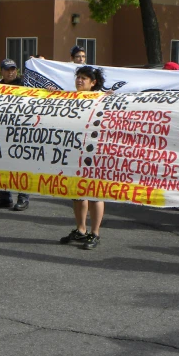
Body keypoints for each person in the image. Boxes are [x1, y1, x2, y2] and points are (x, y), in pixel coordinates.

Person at [58, 66, 106, 250]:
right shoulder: (72, 98)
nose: (79, 80)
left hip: (95, 151)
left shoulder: (102, 98)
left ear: (93, 83)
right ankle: (81, 229)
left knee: (95, 193)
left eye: (84, 78)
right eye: (78, 77)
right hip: (76, 150)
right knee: (77, 193)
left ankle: (95, 233)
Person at [0, 59, 30, 211]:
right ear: (2, 71)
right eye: (8, 69)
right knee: (2, 164)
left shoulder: (26, 85)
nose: (11, 72)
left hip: (21, 130)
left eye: (13, 69)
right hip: (2, 130)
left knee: (21, 165)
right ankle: (4, 196)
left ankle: (23, 197)